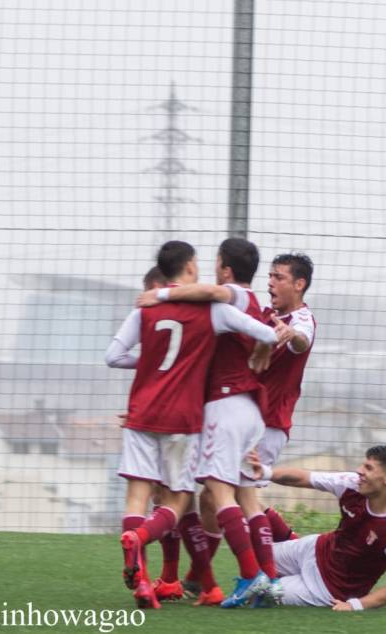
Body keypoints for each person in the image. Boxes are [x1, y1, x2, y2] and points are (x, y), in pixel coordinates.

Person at [105, 240, 279, 610]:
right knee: (181, 499)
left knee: (139, 497)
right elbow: (266, 333)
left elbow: (113, 356)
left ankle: (147, 579)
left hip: (143, 412)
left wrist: (149, 362)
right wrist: (264, 345)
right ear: (189, 267)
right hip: (187, 418)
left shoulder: (146, 308)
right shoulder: (212, 311)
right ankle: (234, 576)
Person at [137, 251, 318, 598]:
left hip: (266, 422)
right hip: (247, 416)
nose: (271, 282)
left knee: (221, 494)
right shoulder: (263, 314)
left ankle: (250, 573)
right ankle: (236, 574)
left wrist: (286, 334)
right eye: (270, 276)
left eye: (279, 277)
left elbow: (301, 339)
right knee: (225, 496)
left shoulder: (300, 318)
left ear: (299, 284)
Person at [248, 445, 386, 610]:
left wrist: (354, 605)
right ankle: (289, 539)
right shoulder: (353, 484)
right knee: (254, 559)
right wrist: (265, 472)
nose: (359, 470)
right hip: (313, 549)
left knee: (257, 593)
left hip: (326, 589)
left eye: (369, 468)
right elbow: (304, 478)